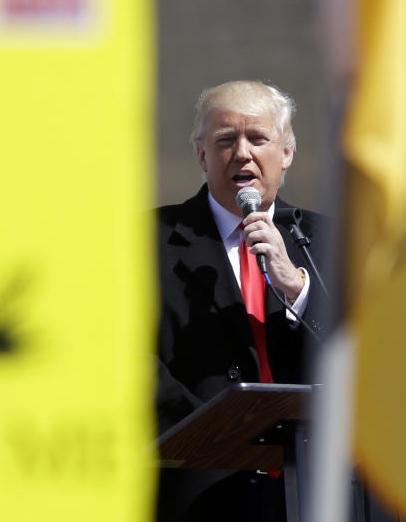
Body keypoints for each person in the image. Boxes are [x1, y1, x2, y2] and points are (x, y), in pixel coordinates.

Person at [156, 80, 327, 522]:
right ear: (202, 156)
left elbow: (364, 349)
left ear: (287, 152)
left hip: (317, 487)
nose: (243, 153)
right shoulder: (146, 241)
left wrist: (298, 289)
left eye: (258, 138)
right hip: (200, 487)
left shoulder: (328, 240)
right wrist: (221, 438)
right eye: (225, 140)